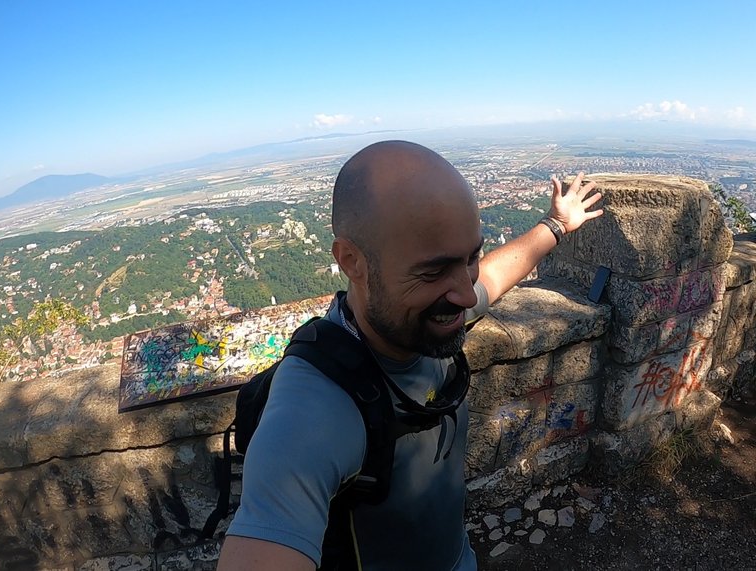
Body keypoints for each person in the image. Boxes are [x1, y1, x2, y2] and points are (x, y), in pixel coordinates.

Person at [217, 140, 602, 570]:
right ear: (352, 261)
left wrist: (555, 224)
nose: (462, 292)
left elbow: (491, 278)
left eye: (469, 257)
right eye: (434, 271)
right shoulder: (312, 410)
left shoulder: (425, 316)